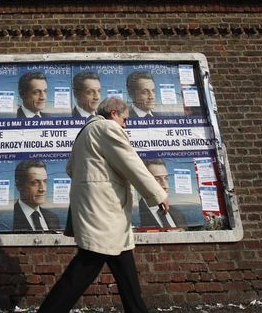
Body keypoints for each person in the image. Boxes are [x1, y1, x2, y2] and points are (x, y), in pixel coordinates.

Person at [38, 97, 168, 313]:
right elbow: (131, 163)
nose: (126, 125)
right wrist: (157, 194)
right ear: (114, 113)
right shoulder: (107, 128)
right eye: (125, 119)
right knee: (85, 267)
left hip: (99, 211)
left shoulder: (85, 132)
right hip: (104, 212)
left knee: (123, 268)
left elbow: (71, 169)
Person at [12, 160, 61, 232]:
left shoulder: (52, 217)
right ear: (19, 186)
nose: (42, 189)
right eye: (35, 182)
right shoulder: (11, 218)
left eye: (45, 181)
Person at [138, 159, 188, 228]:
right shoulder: (133, 214)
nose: (165, 186)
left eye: (166, 178)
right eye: (157, 179)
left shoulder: (178, 214)